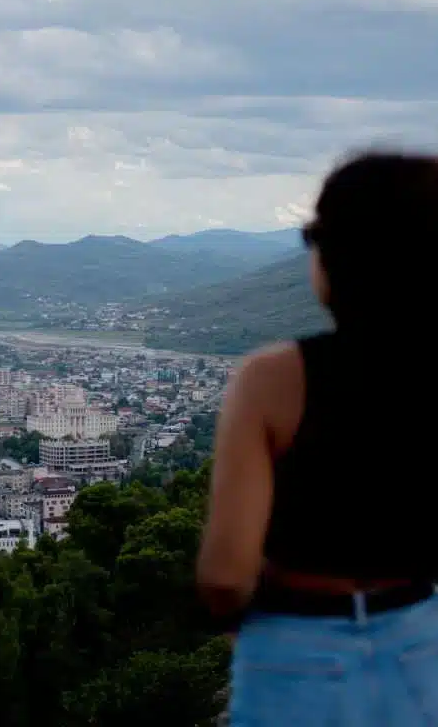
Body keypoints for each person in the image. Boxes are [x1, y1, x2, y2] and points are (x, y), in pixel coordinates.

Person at [197, 151, 438, 725]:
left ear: (331, 259)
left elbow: (226, 573)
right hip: (422, 643)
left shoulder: (272, 381)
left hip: (295, 645)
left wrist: (245, 628)